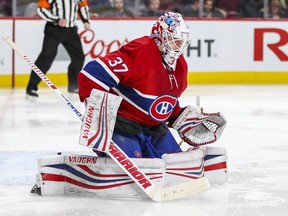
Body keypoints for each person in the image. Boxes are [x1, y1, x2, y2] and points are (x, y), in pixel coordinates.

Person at [78, 12, 226, 159]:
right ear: (159, 36)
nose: (178, 47)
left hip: (154, 128)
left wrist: (178, 116)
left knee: (175, 161)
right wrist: (96, 111)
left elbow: (161, 98)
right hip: (121, 126)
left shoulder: (180, 66)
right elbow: (92, 74)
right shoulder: (141, 51)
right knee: (134, 161)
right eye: (174, 40)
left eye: (181, 41)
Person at [26, 0, 90, 97]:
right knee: (46, 57)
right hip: (54, 29)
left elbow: (82, 7)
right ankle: (31, 87)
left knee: (79, 57)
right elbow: (41, 10)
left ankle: (73, 86)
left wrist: (86, 20)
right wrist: (56, 19)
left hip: (71, 31)